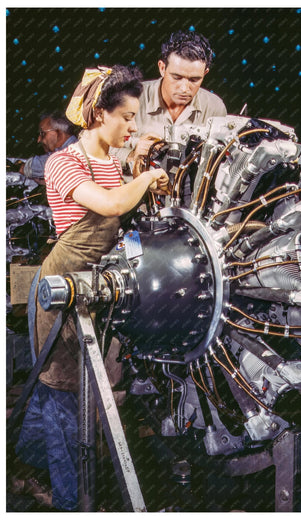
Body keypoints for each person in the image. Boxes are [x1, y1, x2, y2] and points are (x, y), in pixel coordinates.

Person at [10, 64, 169, 511]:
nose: (133, 126)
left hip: (103, 294)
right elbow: (109, 204)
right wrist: (144, 179)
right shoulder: (65, 163)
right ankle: (68, 503)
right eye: (127, 117)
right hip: (62, 292)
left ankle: (94, 496)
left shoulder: (114, 165)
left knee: (104, 402)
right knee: (63, 402)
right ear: (100, 114)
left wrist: (141, 165)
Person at [111, 30, 227, 172]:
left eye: (194, 80)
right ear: (162, 68)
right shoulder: (131, 97)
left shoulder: (215, 107)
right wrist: (130, 155)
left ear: (205, 73)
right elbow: (93, 144)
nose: (184, 88)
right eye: (177, 77)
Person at [19, 112, 78, 184]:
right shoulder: (77, 145)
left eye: (43, 134)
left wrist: (21, 166)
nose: (39, 140)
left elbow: (29, 167)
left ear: (59, 133)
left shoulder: (67, 154)